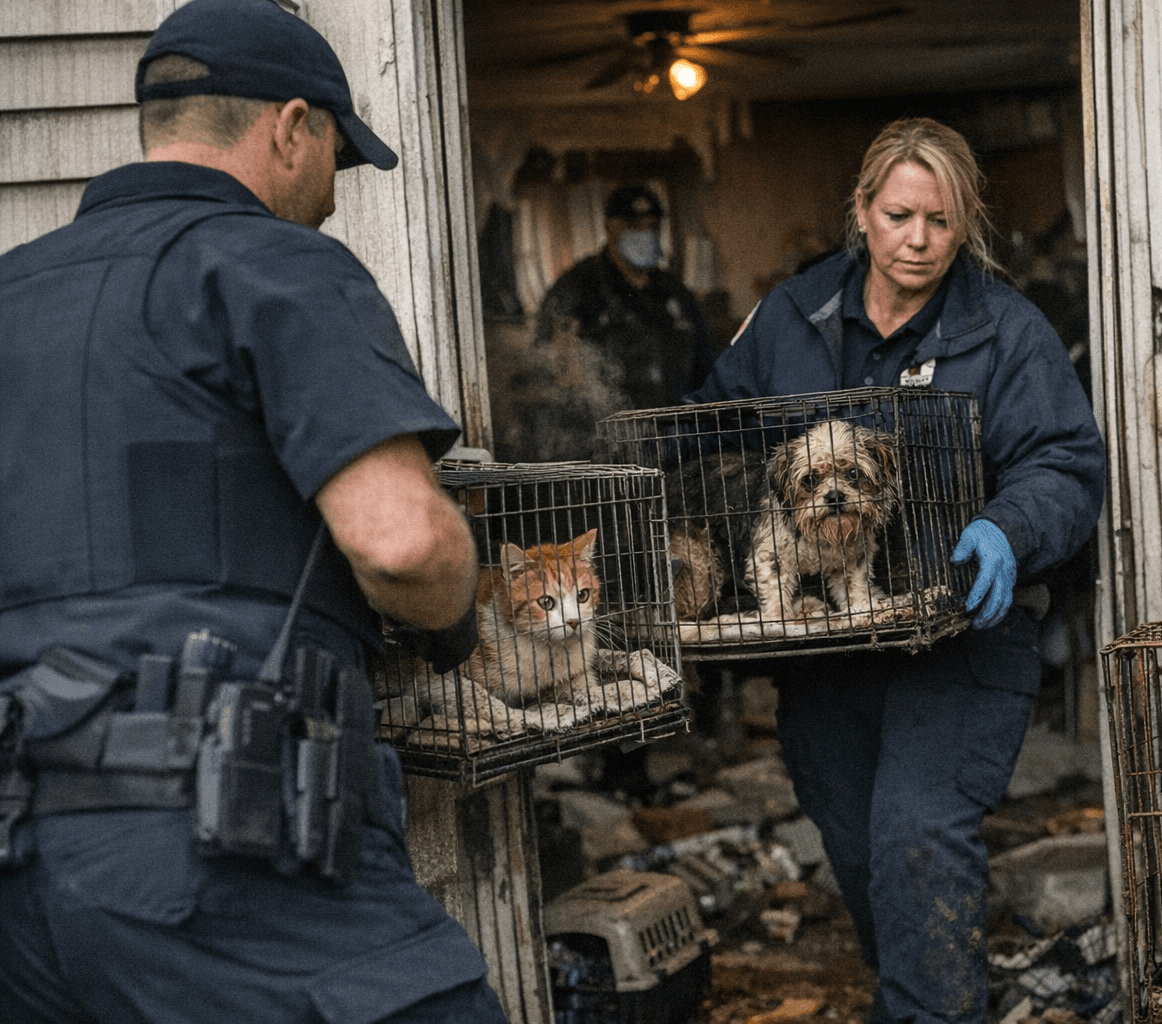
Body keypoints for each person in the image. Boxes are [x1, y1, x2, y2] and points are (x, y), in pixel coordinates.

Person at [0, 1, 510, 1021]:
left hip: (20, 873)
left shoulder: (13, 295)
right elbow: (402, 543)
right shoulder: (275, 264)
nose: (329, 197)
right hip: (222, 844)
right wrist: (457, 617)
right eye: (335, 157)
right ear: (291, 127)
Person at [688, 118, 1106, 1024]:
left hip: (956, 634)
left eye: (941, 221)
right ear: (863, 212)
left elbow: (1065, 463)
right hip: (829, 649)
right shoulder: (792, 316)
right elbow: (715, 432)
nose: (918, 240)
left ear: (967, 226)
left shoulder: (1005, 331)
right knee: (859, 848)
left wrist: (1007, 527)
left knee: (918, 836)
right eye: (899, 214)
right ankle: (922, 998)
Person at [534, 184, 716, 410]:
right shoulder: (576, 289)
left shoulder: (675, 291)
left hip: (674, 427)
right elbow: (552, 367)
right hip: (607, 430)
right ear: (610, 227)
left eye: (652, 226)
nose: (645, 233)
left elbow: (705, 362)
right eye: (633, 225)